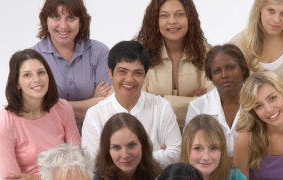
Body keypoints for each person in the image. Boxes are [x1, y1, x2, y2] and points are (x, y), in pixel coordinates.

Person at [0, 49, 80, 180]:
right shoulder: (5, 122)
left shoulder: (62, 108)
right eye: (27, 75)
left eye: (41, 72)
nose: (37, 79)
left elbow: (78, 162)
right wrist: (60, 178)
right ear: (17, 83)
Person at [81, 40, 182, 168]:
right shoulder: (95, 114)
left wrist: (115, 157)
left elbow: (176, 154)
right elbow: (94, 163)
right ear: (110, 73)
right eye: (122, 71)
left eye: (137, 73)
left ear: (145, 75)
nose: (129, 79)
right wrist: (156, 155)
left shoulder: (160, 107)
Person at [135, 0, 213, 130]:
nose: (172, 21)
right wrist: (193, 102)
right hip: (153, 134)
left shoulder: (206, 53)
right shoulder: (140, 55)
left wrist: (159, 100)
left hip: (198, 133)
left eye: (179, 14)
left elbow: (213, 102)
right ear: (155, 20)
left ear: (190, 18)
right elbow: (139, 104)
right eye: (164, 15)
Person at [33, 0, 112, 127]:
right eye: (56, 17)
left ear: (81, 21)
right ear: (45, 20)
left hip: (96, 134)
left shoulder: (100, 52)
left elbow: (109, 104)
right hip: (50, 137)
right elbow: (38, 110)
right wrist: (93, 101)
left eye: (70, 18)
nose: (63, 26)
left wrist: (56, 106)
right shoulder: (33, 58)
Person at [230, 0, 283, 105]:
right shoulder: (238, 45)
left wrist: (255, 97)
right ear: (259, 9)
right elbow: (230, 99)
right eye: (271, 11)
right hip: (246, 121)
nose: (276, 20)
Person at [185, 44, 251, 157]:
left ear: (243, 69)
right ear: (210, 76)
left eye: (230, 68)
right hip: (211, 171)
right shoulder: (197, 107)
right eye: (217, 71)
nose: (224, 75)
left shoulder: (258, 100)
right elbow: (191, 151)